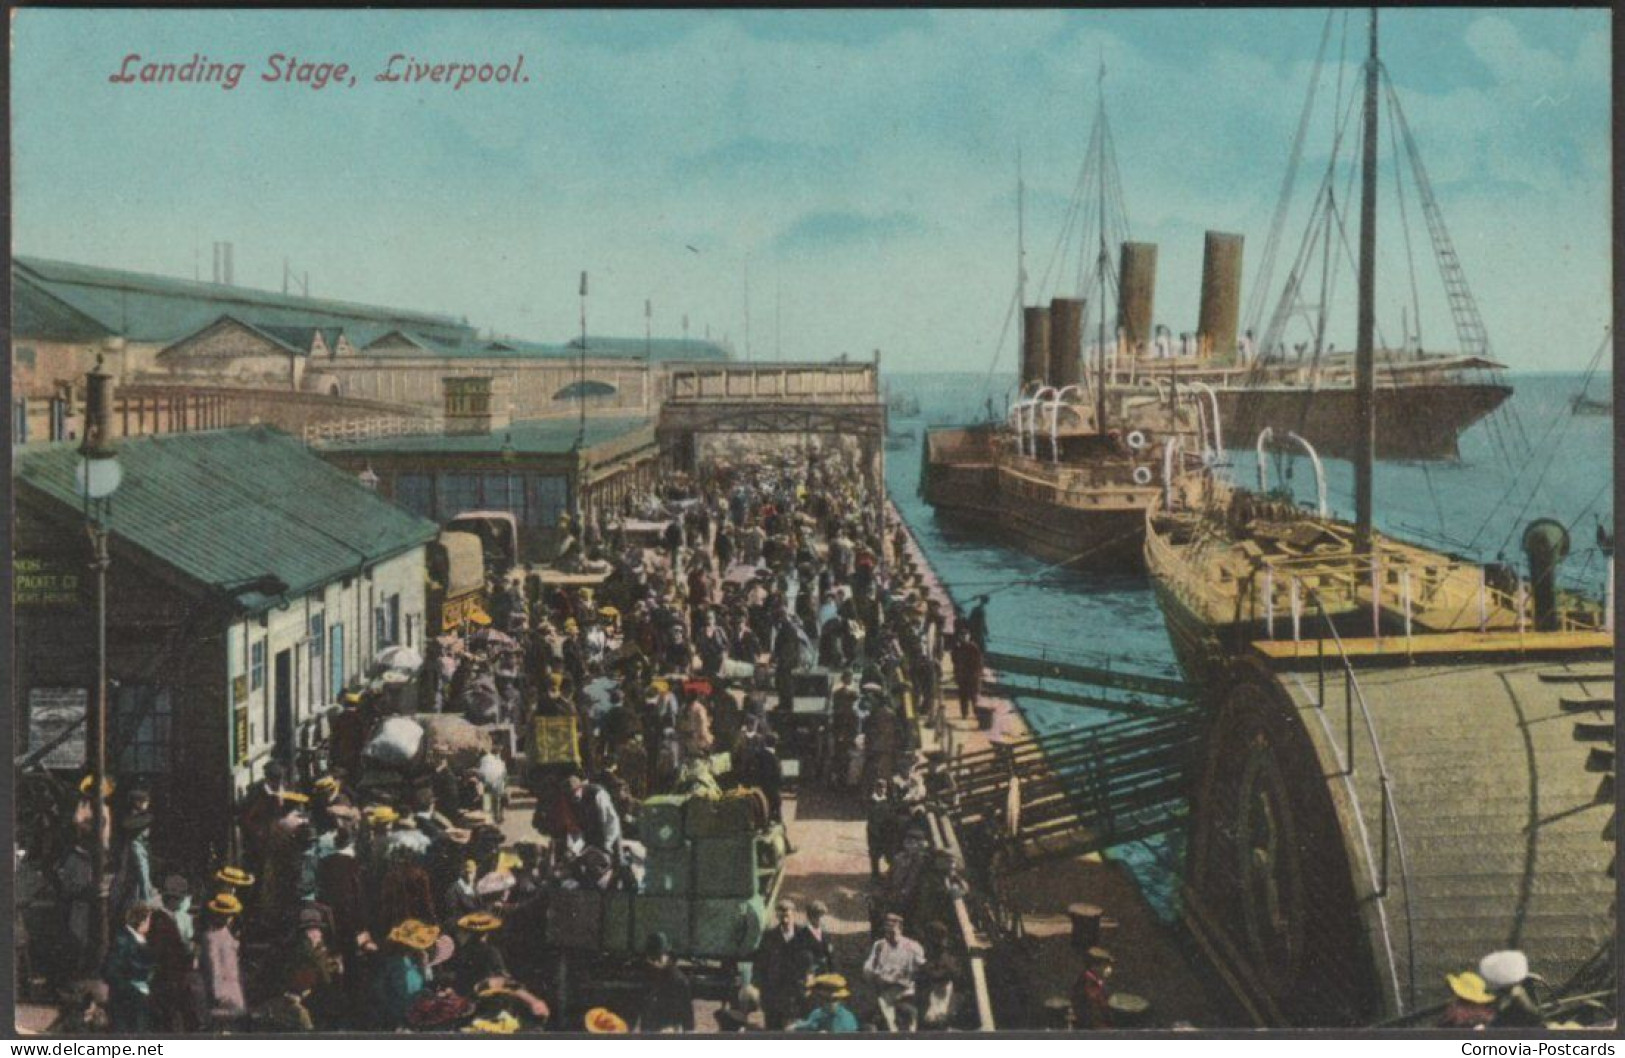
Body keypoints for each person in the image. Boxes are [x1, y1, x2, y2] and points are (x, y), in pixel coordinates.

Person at [754, 898, 815, 1030]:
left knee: (796, 1030)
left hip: (797, 992)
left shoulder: (804, 935)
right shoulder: (769, 936)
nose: (785, 918)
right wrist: (759, 989)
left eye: (787, 914)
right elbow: (760, 964)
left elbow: (812, 960)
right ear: (777, 915)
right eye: (781, 914)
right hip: (774, 992)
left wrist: (810, 977)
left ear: (794, 914)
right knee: (773, 1029)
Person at [863, 912, 925, 1032]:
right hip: (886, 993)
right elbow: (868, 967)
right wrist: (874, 975)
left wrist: (908, 977)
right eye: (886, 932)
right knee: (886, 1025)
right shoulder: (879, 945)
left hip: (906, 993)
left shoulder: (912, 946)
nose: (889, 935)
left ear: (900, 929)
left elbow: (921, 969)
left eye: (892, 931)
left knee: (908, 1025)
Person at [102, 904, 156, 1032]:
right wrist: (133, 989)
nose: (150, 924)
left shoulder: (138, 939)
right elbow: (110, 971)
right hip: (127, 998)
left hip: (138, 996)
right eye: (148, 920)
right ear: (142, 921)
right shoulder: (123, 940)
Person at [199, 894, 247, 1030]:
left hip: (232, 988)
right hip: (223, 993)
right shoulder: (211, 937)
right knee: (223, 1028)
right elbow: (213, 967)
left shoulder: (226, 934)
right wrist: (217, 993)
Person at [634, 932, 695, 1034]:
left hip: (669, 1031)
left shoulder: (678, 979)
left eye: (657, 956)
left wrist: (689, 1032)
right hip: (649, 1030)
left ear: (665, 954)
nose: (654, 961)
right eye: (651, 957)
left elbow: (687, 1011)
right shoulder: (644, 975)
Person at [788, 974, 859, 1033]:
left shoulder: (847, 1017)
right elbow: (810, 1025)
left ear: (840, 1000)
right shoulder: (817, 1014)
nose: (831, 1004)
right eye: (826, 1000)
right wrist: (795, 1027)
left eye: (834, 1000)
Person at [1070, 946, 1115, 1029]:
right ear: (1096, 966)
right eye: (1106, 965)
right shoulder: (1087, 981)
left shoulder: (1094, 979)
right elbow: (1095, 1003)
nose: (1109, 969)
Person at [949, 630, 984, 726]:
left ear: (969, 637)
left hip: (972, 676)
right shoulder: (958, 648)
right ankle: (964, 713)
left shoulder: (974, 648)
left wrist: (977, 674)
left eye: (966, 636)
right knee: (963, 696)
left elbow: (979, 663)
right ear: (960, 637)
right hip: (962, 676)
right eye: (962, 636)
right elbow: (954, 660)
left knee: (974, 697)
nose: (964, 638)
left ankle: (977, 714)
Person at [804, 900, 836, 975]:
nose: (822, 920)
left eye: (823, 916)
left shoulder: (825, 932)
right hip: (809, 973)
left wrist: (832, 972)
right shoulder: (803, 935)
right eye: (820, 916)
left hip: (824, 971)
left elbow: (830, 954)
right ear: (811, 917)